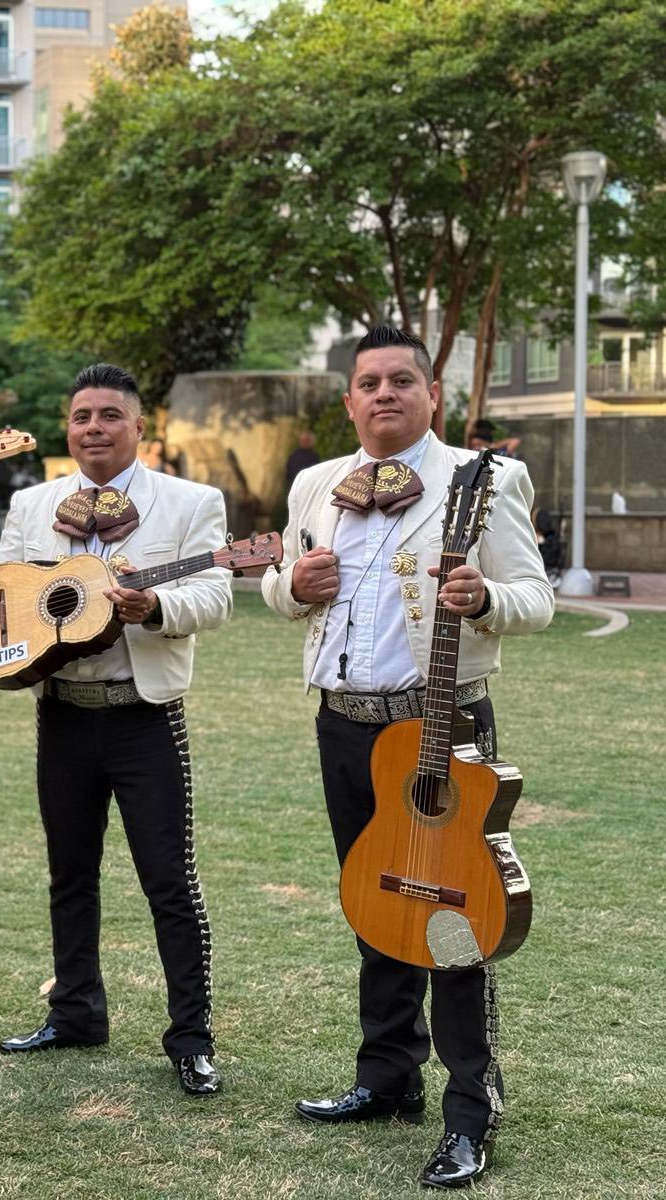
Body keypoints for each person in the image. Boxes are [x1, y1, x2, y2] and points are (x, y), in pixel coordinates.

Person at [261, 325, 554, 1189]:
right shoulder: (316, 483)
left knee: (459, 919)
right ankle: (387, 1079)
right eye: (368, 383)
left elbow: (536, 595)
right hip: (344, 722)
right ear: (348, 401)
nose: (384, 393)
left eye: (402, 380)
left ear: (432, 395)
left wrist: (487, 595)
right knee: (375, 903)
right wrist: (290, 587)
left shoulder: (483, 479)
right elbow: (285, 584)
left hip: (441, 725)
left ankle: (473, 1108)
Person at [0, 363, 231, 1096]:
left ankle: (191, 1037)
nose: (94, 428)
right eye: (82, 416)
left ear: (140, 428)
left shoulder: (191, 502)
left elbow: (215, 592)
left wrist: (158, 610)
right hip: (63, 711)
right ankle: (76, 1012)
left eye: (110, 415)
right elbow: (2, 588)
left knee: (169, 882)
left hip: (144, 717)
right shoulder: (35, 502)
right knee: (69, 875)